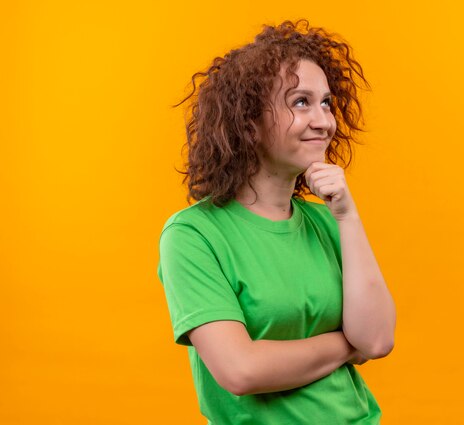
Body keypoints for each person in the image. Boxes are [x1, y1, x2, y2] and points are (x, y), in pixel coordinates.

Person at [157, 19, 396, 424]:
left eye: (325, 102)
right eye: (300, 102)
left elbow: (376, 339)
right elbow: (241, 370)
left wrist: (347, 215)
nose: (323, 120)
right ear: (248, 123)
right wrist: (345, 347)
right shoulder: (192, 235)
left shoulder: (326, 221)